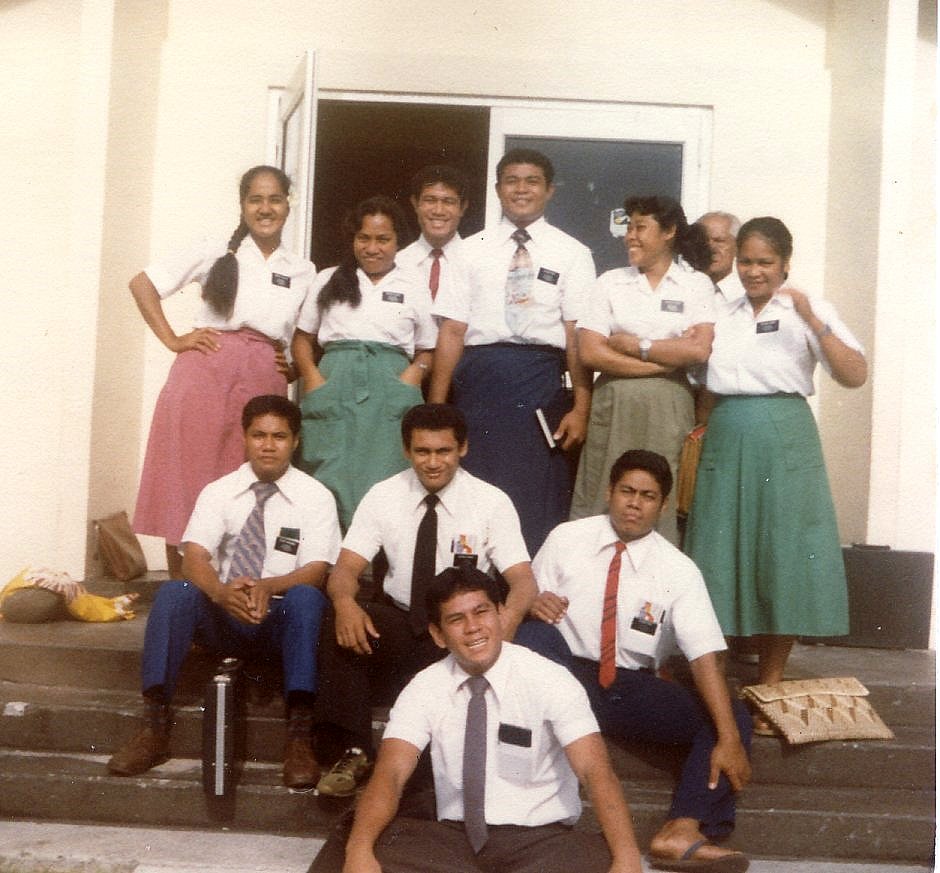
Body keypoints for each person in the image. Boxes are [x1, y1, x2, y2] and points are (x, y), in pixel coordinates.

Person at [517, 450, 752, 873]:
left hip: (622, 689)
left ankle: (680, 830)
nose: (634, 503)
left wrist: (730, 736)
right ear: (609, 492)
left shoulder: (678, 569)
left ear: (662, 506)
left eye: (647, 496)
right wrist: (533, 601)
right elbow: (525, 597)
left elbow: (703, 654)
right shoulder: (567, 538)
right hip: (564, 674)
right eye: (626, 491)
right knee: (532, 635)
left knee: (728, 718)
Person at [338, 565, 644, 873]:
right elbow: (391, 772)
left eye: (481, 612)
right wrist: (359, 851)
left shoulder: (550, 678)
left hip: (541, 843)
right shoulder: (425, 686)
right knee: (354, 846)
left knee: (606, 859)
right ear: (438, 634)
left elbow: (595, 771)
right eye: (456, 619)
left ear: (500, 615)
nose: (473, 627)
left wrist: (628, 858)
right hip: (452, 843)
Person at [107, 395, 341, 789]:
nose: (268, 445)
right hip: (226, 613)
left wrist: (269, 586)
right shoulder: (219, 491)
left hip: (280, 618)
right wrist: (219, 592)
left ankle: (299, 737)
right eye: (259, 435)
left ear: (295, 441)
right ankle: (154, 727)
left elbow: (317, 570)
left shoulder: (315, 496)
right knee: (175, 592)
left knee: (307, 599)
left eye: (279, 437)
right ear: (245, 438)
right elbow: (195, 555)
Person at [684, 217, 867, 719]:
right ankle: (714, 676)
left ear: (786, 263)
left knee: (782, 549)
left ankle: (770, 679)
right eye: (746, 261)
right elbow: (703, 379)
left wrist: (812, 316)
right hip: (728, 429)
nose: (754, 271)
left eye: (765, 262)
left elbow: (854, 374)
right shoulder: (722, 310)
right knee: (719, 547)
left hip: (785, 432)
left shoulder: (806, 308)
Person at [310, 403, 535, 798]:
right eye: (422, 452)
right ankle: (353, 750)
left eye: (443, 451)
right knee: (335, 617)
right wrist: (346, 603)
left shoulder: (490, 501)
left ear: (462, 449)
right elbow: (345, 570)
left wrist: (503, 626)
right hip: (401, 623)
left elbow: (523, 583)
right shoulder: (384, 495)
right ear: (406, 450)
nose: (433, 463)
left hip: (459, 633)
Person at [131, 165, 314, 577]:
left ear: (288, 204)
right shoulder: (214, 250)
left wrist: (288, 363)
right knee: (188, 482)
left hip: (262, 381)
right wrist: (174, 339)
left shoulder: (302, 270)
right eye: (256, 199)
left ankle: (238, 596)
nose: (265, 208)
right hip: (205, 374)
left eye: (275, 199)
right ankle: (184, 597)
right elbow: (142, 284)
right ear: (243, 205)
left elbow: (305, 334)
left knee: (248, 483)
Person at [429, 148, 596, 555]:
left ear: (549, 190)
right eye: (512, 180)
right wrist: (436, 408)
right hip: (479, 386)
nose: (521, 189)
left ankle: (528, 599)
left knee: (533, 496)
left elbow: (576, 336)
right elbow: (452, 331)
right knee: (473, 491)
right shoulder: (469, 250)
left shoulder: (572, 253)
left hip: (540, 387)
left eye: (532, 181)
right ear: (498, 188)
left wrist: (581, 407)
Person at [571, 196, 715, 545]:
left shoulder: (695, 284)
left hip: (670, 411)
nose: (629, 236)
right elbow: (590, 352)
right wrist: (666, 360)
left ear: (669, 232)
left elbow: (698, 349)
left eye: (640, 227)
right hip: (615, 406)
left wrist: (637, 346)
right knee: (604, 492)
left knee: (661, 494)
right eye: (628, 227)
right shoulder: (610, 282)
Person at [291, 196, 437, 531]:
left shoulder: (412, 282)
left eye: (383, 239)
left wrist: (412, 377)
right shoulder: (329, 278)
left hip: (390, 388)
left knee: (388, 478)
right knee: (327, 473)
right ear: (353, 239)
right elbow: (302, 340)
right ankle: (325, 568)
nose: (373, 248)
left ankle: (379, 574)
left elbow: (428, 348)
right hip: (334, 384)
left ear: (398, 241)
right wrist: (313, 378)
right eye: (364, 238)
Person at [396, 165, 469, 302]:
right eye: (430, 200)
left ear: (463, 207)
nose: (438, 211)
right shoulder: (397, 263)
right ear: (415, 204)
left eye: (448, 201)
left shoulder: (477, 262)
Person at [695, 211, 745, 310]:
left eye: (719, 241)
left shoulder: (748, 295)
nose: (710, 248)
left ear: (737, 247)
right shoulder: (681, 291)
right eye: (703, 241)